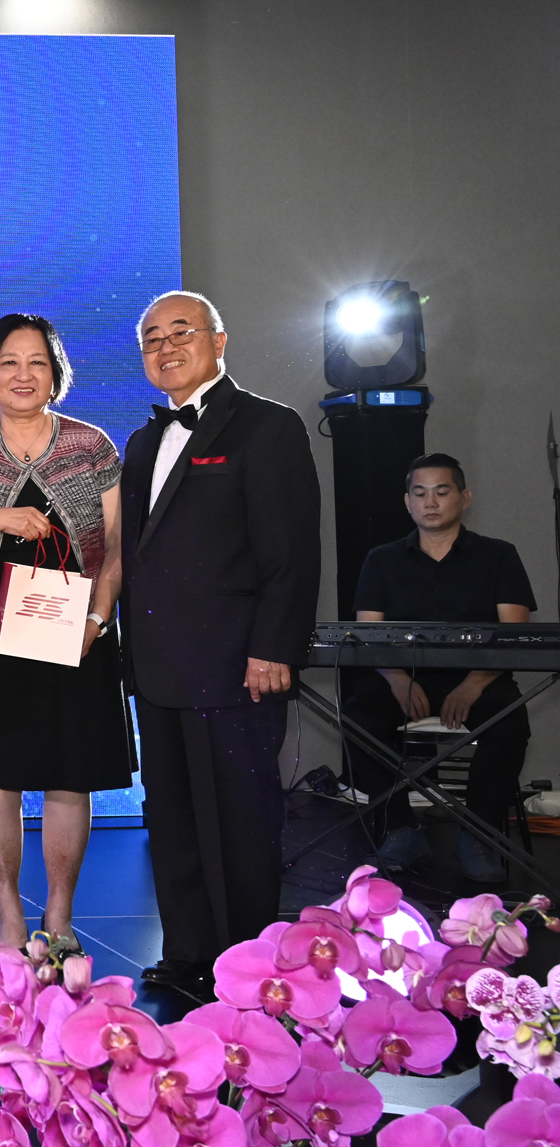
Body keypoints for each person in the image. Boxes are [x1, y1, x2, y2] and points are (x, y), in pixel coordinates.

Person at [120, 290, 320, 995]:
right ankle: (186, 953)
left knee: (240, 824)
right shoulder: (142, 442)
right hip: (158, 668)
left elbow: (290, 552)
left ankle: (247, 967)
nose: (166, 346)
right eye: (152, 338)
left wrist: (275, 648)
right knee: (172, 822)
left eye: (182, 331)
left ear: (219, 340)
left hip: (237, 665)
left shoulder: (269, 426)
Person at [0, 314, 129, 954]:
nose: (23, 374)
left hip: (77, 632)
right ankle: (8, 912)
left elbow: (119, 546)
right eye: (9, 362)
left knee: (70, 778)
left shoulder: (91, 446)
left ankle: (59, 917)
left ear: (55, 374)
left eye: (37, 362)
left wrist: (97, 619)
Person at [345, 453, 537, 883]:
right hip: (402, 676)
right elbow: (369, 635)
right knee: (358, 717)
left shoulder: (498, 555)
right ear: (408, 502)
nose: (430, 502)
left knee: (509, 722)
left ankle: (478, 835)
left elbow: (514, 635)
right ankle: (400, 829)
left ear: (464, 498)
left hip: (480, 677)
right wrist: (397, 679)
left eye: (441, 491)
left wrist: (474, 683)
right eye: (420, 493)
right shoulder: (382, 559)